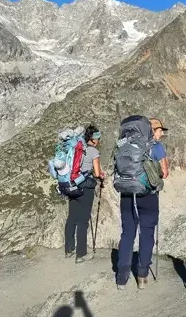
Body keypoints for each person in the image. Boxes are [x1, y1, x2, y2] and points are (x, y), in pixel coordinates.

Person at [116, 117, 169, 290]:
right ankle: (142, 276)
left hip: (126, 193)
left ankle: (121, 278)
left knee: (127, 233)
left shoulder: (124, 144)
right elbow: (164, 173)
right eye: (160, 130)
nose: (161, 133)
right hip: (148, 196)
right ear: (151, 130)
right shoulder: (156, 147)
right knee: (146, 234)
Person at [64, 125, 104, 263]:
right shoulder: (93, 152)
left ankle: (69, 249)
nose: (98, 141)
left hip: (72, 186)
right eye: (97, 138)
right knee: (83, 220)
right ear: (92, 139)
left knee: (72, 217)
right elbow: (98, 173)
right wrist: (99, 175)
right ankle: (81, 254)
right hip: (86, 188)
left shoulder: (76, 148)